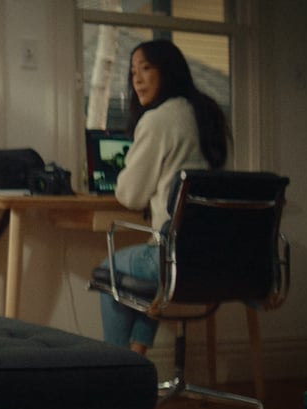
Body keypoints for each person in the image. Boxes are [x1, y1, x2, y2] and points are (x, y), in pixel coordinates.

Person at [96, 39, 231, 355]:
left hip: (176, 257)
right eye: (132, 72)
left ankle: (115, 371)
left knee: (110, 271)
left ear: (167, 71)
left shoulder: (159, 120)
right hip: (222, 258)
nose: (137, 79)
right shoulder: (208, 113)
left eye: (146, 68)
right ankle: (137, 353)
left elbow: (130, 195)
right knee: (153, 267)